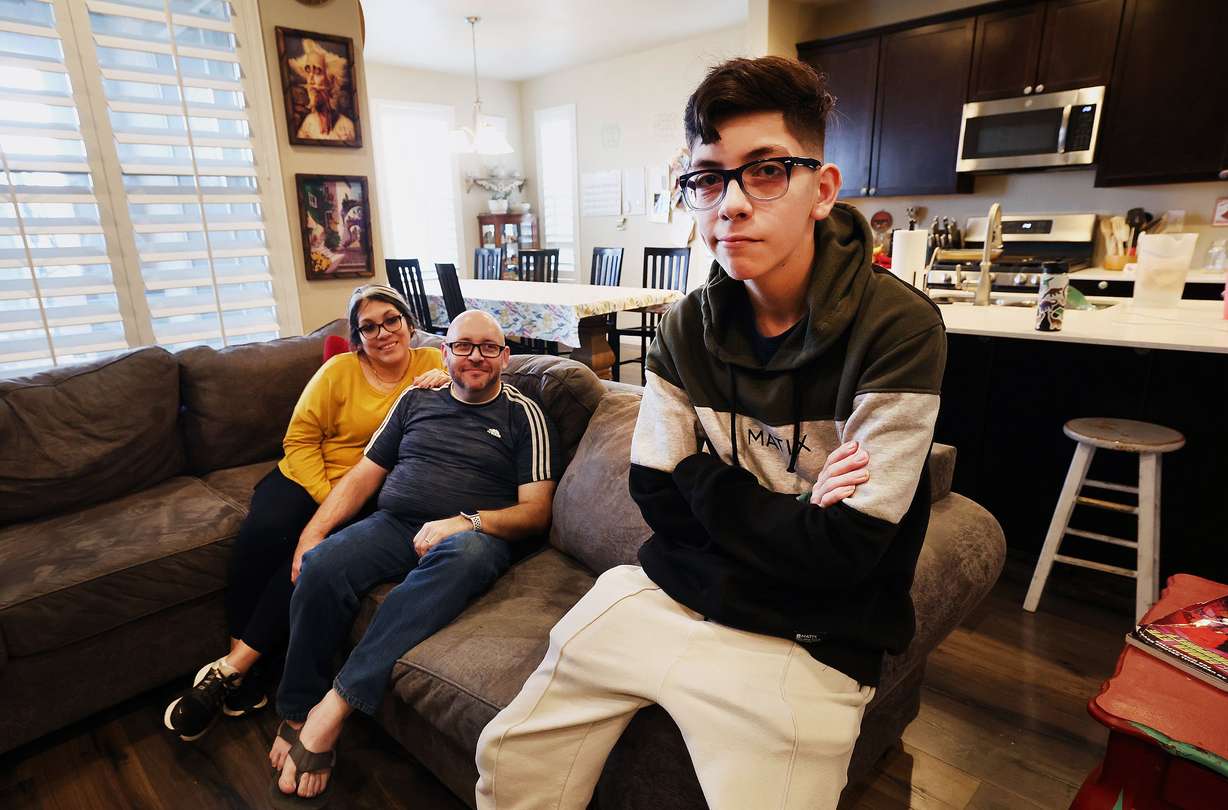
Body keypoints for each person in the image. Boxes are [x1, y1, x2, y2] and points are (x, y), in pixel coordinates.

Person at [474, 56, 946, 809]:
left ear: (823, 189)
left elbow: (847, 549)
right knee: (508, 763)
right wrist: (790, 511)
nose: (730, 204)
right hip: (671, 590)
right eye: (707, 178)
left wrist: (702, 479)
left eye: (766, 171)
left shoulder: (898, 328)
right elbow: (655, 490)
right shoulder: (685, 325)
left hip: (814, 635)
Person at [269, 310, 560, 807]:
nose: (475, 357)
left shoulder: (523, 415)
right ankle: (297, 710)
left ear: (505, 357)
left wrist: (466, 521)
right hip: (395, 525)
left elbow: (536, 512)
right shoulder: (414, 399)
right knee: (320, 567)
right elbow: (364, 474)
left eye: (489, 348)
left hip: (474, 535)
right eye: (463, 346)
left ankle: (333, 708)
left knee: (465, 555)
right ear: (444, 353)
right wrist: (311, 535)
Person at [163, 284, 448, 742]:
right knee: (267, 532)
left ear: (409, 324)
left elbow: (480, 378)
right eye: (369, 327)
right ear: (357, 337)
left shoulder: (434, 362)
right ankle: (241, 667)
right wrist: (326, 498)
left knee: (308, 562)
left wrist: (445, 379)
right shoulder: (338, 371)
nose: (383, 333)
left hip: (365, 490)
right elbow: (298, 440)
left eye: (391, 320)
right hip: (307, 473)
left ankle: (234, 670)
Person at [293, 39, 357, 144]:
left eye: (317, 71)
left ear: (331, 80)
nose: (310, 80)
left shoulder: (347, 127)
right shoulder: (308, 125)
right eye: (308, 71)